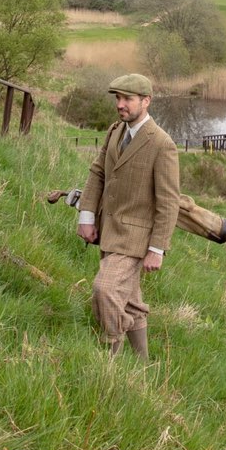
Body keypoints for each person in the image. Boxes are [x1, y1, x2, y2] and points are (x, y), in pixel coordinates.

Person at [76, 73, 180, 359]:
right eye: (117, 98)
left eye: (127, 99)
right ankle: (143, 367)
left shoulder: (162, 144)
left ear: (146, 102)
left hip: (135, 238)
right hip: (109, 230)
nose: (120, 105)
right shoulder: (115, 131)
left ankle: (110, 358)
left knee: (105, 289)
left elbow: (169, 202)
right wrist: (86, 215)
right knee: (131, 303)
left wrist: (157, 249)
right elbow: (99, 172)